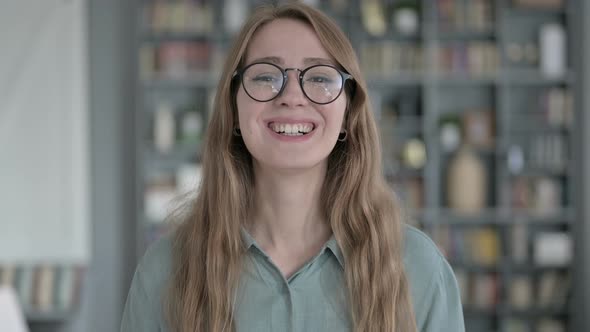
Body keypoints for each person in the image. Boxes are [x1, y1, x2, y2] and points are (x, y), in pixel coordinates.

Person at [121, 2, 464, 331]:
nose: (292, 96)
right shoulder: (165, 270)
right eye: (266, 76)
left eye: (319, 78)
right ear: (233, 109)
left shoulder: (418, 268)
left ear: (347, 113)